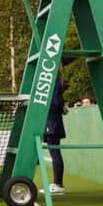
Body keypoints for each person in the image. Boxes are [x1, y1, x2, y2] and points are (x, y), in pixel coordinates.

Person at [41, 67, 68, 195]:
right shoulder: (55, 80)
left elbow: (56, 102)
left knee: (55, 151)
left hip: (52, 121)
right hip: (51, 120)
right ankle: (57, 183)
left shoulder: (54, 80)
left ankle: (58, 184)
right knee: (54, 151)